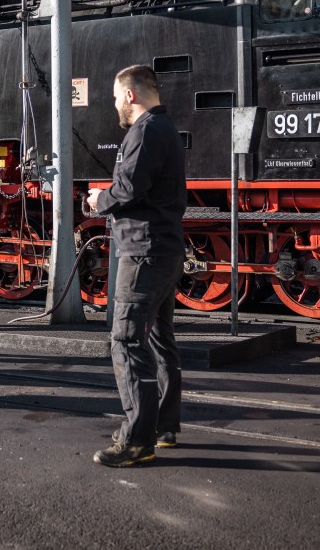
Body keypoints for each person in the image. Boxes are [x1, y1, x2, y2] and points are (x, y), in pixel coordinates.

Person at [87, 65, 186, 468]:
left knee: (127, 340)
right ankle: (164, 426)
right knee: (161, 341)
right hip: (164, 249)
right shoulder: (168, 130)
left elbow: (128, 188)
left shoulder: (144, 132)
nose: (115, 105)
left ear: (130, 95)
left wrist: (99, 200)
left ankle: (137, 440)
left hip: (143, 252)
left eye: (115, 97)